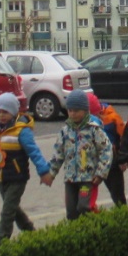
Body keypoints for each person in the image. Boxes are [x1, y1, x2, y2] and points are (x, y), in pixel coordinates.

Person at [0, 93, 49, 242]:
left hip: (17, 177)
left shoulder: (21, 130)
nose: (1, 115)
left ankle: (1, 241)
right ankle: (30, 231)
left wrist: (43, 170)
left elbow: (33, 151)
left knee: (7, 211)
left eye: (5, 112)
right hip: (0, 175)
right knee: (13, 208)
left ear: (13, 112)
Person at [43, 89, 113, 220]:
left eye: (76, 110)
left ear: (85, 110)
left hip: (87, 178)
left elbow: (106, 150)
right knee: (71, 211)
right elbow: (58, 154)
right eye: (70, 110)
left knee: (84, 207)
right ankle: (75, 230)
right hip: (70, 179)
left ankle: (95, 226)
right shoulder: (65, 132)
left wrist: (101, 173)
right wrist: (51, 173)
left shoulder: (94, 130)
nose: (72, 113)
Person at [90, 92, 128, 207]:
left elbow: (124, 139)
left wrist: (123, 159)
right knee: (87, 198)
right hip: (91, 162)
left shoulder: (113, 118)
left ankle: (123, 213)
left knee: (118, 196)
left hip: (112, 162)